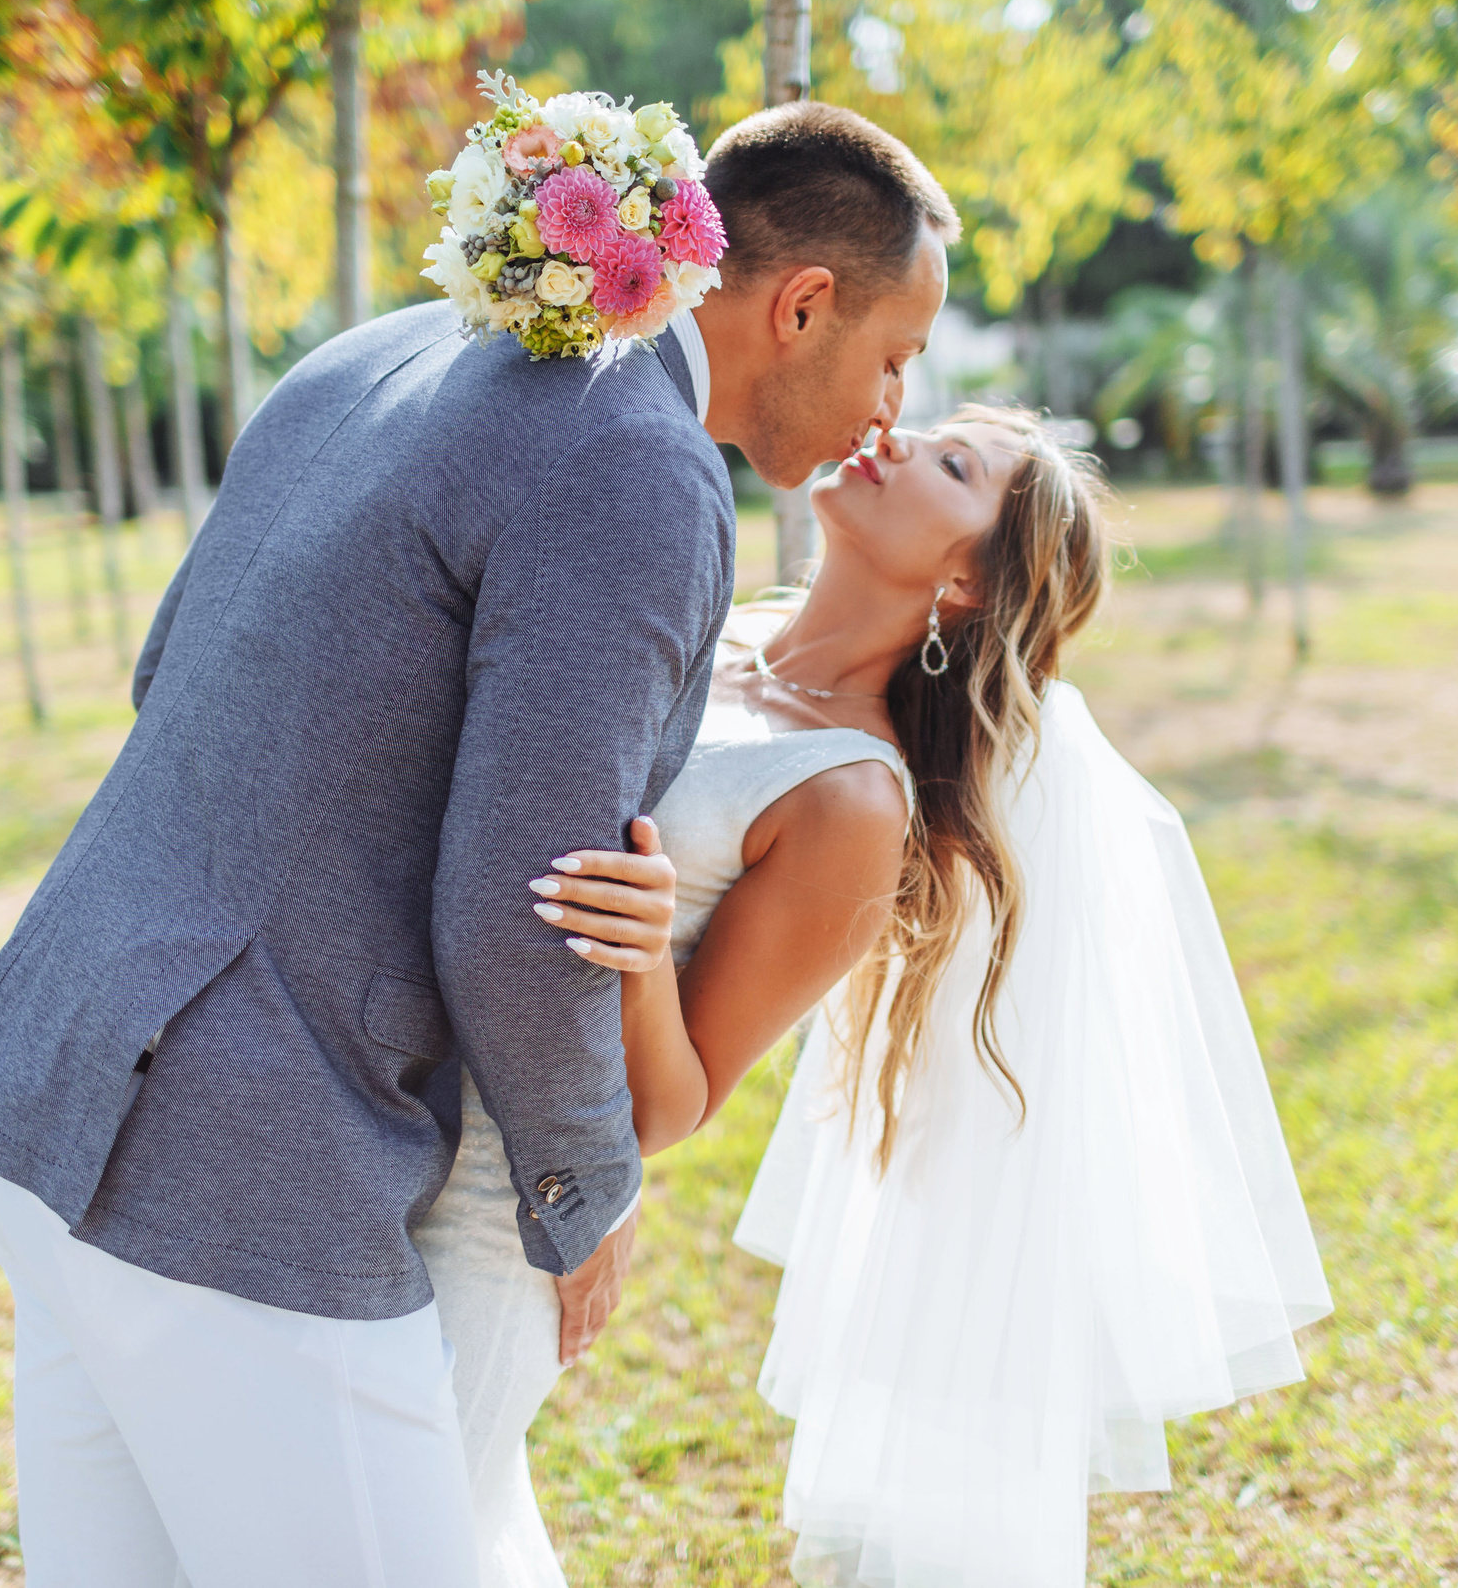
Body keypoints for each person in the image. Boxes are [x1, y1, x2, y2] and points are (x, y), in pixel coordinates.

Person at [0, 100, 957, 1587]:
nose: (893, 403)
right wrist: (581, 1189)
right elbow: (525, 903)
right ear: (801, 306)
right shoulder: (642, 466)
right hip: (236, 1179)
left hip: (51, 1080)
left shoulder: (388, 346)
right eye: (897, 354)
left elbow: (166, 669)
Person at [505, 405, 1333, 1586]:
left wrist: (639, 956)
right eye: (932, 427)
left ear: (964, 584)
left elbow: (674, 1104)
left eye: (952, 465)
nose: (893, 435)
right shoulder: (718, 625)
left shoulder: (853, 798)